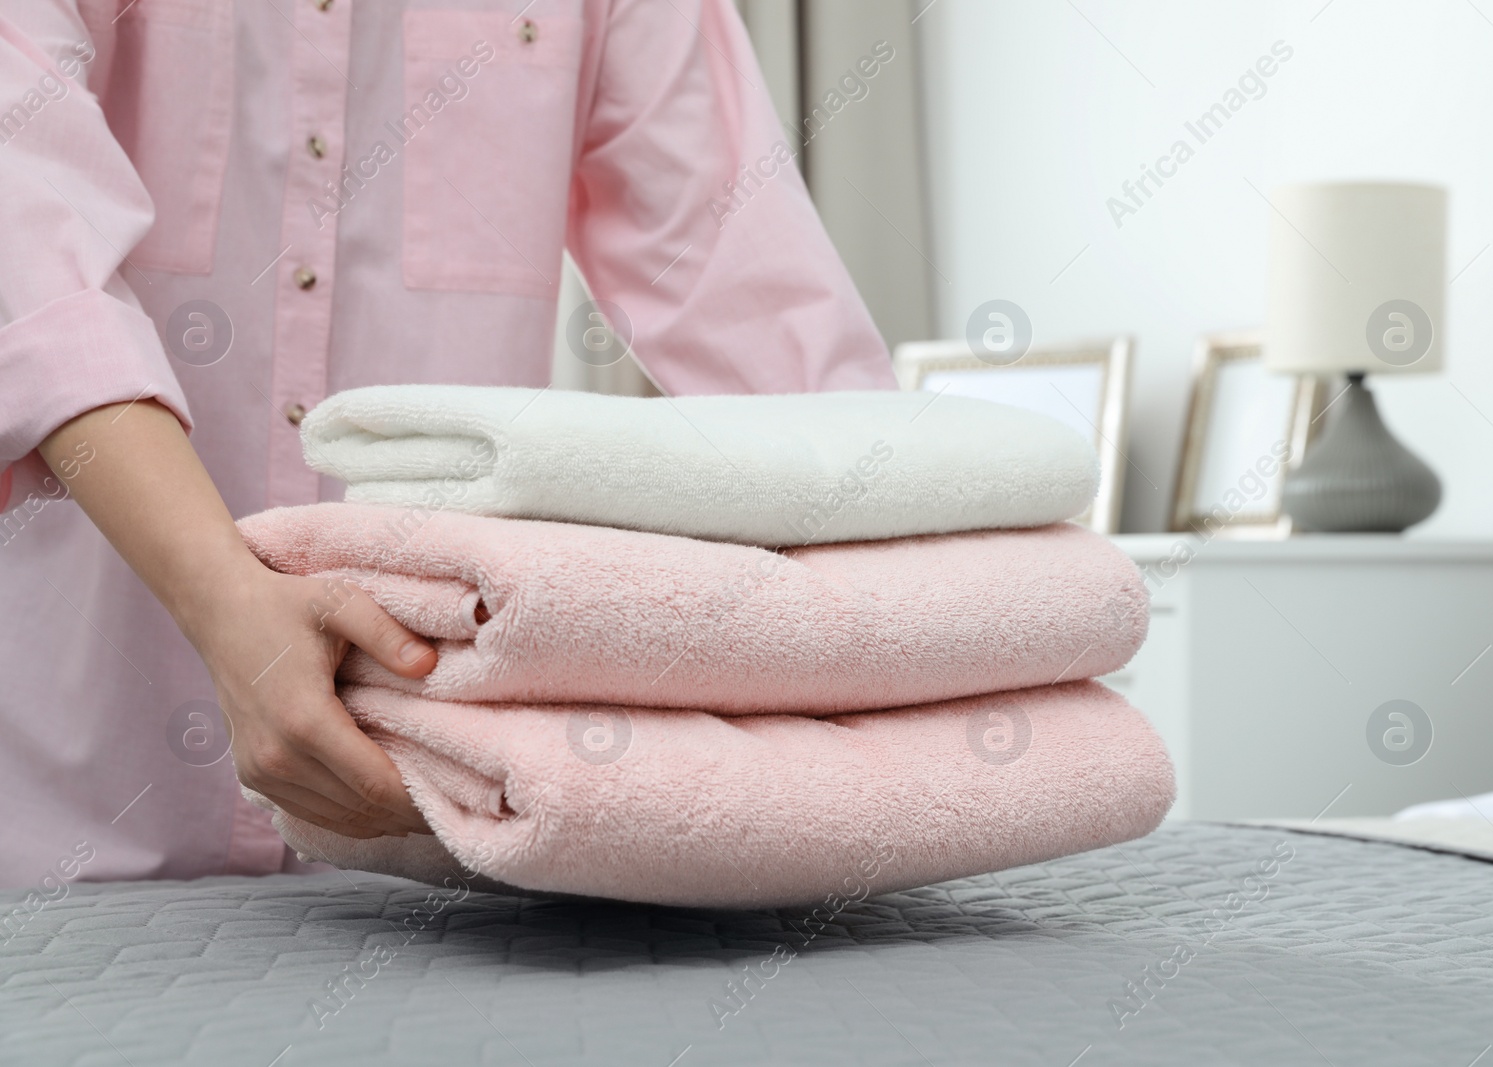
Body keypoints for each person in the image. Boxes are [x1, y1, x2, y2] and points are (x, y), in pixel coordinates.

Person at [0, 0, 894, 885]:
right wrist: (227, 604)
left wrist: (922, 600)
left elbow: (758, 306)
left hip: (437, 846)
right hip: (70, 830)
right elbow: (30, 248)